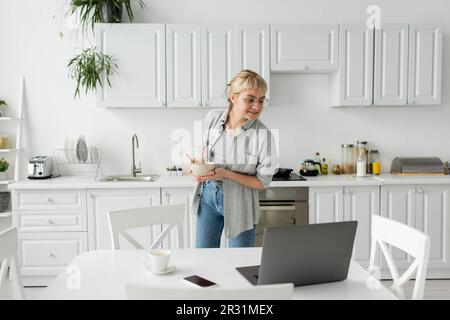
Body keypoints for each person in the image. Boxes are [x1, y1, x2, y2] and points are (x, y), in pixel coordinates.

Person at [190, 69, 279, 248]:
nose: (258, 106)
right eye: (250, 99)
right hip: (207, 198)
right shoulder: (213, 118)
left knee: (238, 264)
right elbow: (205, 152)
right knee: (204, 258)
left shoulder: (264, 135)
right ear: (233, 97)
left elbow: (263, 182)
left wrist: (226, 174)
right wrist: (198, 165)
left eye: (261, 100)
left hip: (241, 204)